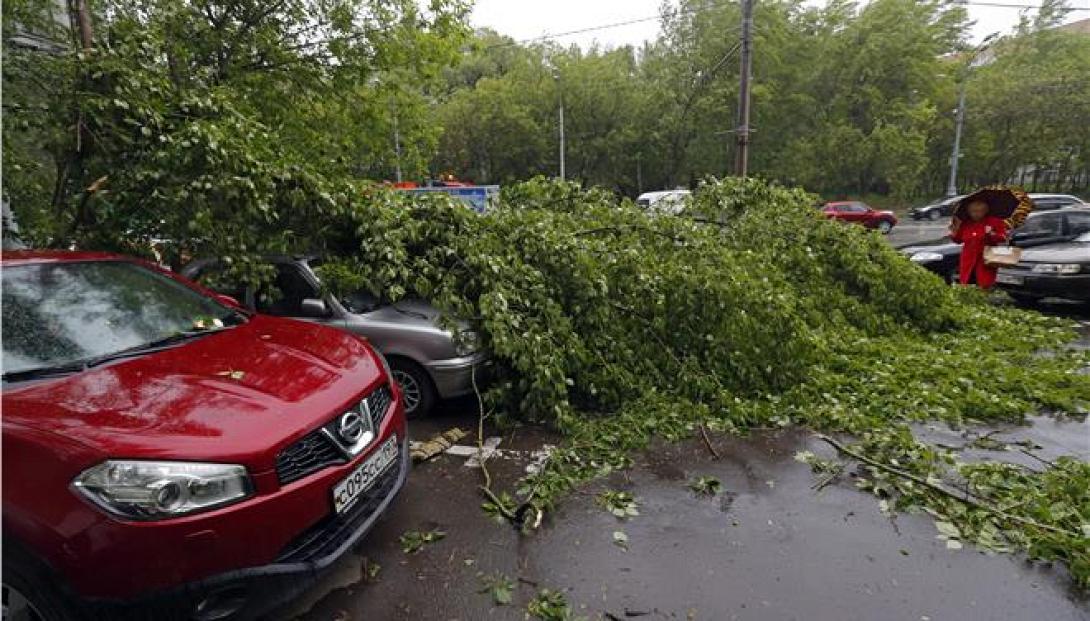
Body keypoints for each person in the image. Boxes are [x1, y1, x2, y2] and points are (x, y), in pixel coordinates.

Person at [949, 199, 1008, 289]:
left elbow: (1003, 238)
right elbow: (958, 240)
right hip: (968, 260)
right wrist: (953, 231)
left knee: (984, 285)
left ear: (985, 211)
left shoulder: (994, 221)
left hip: (985, 260)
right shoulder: (966, 223)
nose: (976, 214)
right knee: (967, 285)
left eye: (979, 211)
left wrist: (991, 233)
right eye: (973, 211)